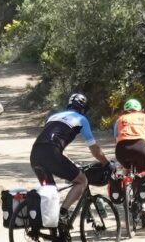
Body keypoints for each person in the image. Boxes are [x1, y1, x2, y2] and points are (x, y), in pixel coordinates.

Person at [30, 92, 111, 223]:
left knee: (50, 193)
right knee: (82, 181)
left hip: (35, 153)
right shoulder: (81, 119)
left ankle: (52, 231)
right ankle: (62, 214)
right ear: (83, 109)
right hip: (52, 153)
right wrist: (106, 163)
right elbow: (94, 149)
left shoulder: (53, 117)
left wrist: (70, 163)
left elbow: (52, 143)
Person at [113, 98, 145, 218]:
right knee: (143, 174)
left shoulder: (120, 119)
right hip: (141, 148)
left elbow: (117, 139)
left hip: (122, 150)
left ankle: (125, 190)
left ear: (124, 111)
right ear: (141, 110)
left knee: (125, 170)